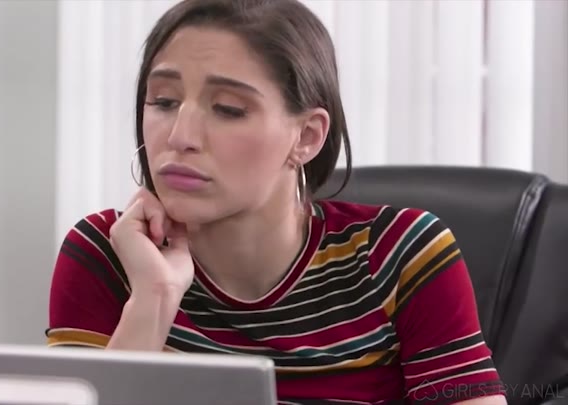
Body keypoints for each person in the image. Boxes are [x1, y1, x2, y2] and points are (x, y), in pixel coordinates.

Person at [46, 0, 507, 403]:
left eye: (228, 109)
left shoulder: (399, 255)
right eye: (164, 101)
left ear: (306, 137)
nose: (179, 136)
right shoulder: (108, 252)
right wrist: (154, 297)